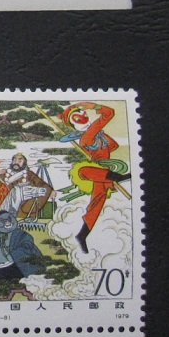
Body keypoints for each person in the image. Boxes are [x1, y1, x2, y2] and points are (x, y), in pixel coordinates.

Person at [58, 102, 131, 252]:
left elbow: (113, 146)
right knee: (83, 170)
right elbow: (109, 113)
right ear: (73, 124)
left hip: (103, 170)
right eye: (78, 118)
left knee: (97, 202)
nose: (84, 117)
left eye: (83, 114)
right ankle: (117, 177)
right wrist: (93, 107)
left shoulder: (97, 134)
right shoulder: (89, 134)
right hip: (97, 170)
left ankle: (82, 234)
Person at [0, 154, 55, 227]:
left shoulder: (30, 174)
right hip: (6, 206)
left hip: (26, 207)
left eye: (19, 160)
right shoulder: (5, 174)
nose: (16, 162)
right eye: (14, 160)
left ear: (24, 163)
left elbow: (43, 185)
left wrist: (50, 191)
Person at [0, 211, 45, 284]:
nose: (7, 222)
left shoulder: (18, 233)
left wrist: (17, 252)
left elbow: (27, 242)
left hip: (11, 266)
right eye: (4, 220)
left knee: (14, 285)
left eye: (9, 219)